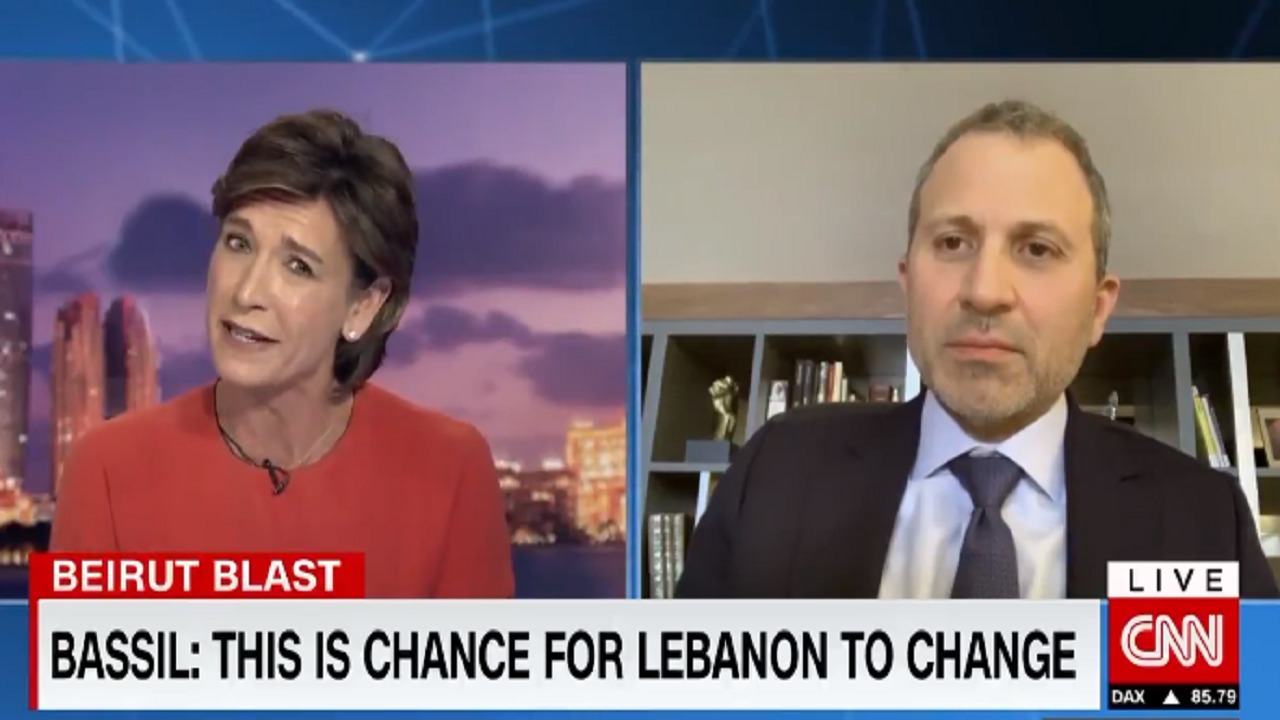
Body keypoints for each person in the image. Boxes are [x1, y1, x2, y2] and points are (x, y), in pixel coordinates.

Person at [676, 100, 1279, 600]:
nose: (985, 291)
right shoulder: (775, 475)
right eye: (953, 242)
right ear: (908, 283)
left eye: (1037, 249)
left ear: (1098, 309)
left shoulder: (1204, 523)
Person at [50, 109, 516, 598]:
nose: (247, 291)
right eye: (238, 243)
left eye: (298, 266)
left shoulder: (451, 470)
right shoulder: (106, 472)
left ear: (363, 305)